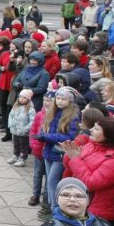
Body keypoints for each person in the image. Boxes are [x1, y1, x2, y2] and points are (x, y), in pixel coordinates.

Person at [61, 117, 114, 226]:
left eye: (96, 128)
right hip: (77, 204)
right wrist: (70, 154)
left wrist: (75, 159)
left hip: (96, 212)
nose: (91, 130)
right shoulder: (92, 145)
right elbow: (72, 168)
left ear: (110, 134)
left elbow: (90, 183)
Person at [36, 86, 82, 217]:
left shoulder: (73, 115)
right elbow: (45, 129)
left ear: (70, 101)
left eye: (64, 99)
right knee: (49, 180)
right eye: (58, 98)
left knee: (52, 180)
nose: (60, 101)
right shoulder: (52, 112)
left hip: (60, 152)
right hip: (48, 150)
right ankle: (51, 207)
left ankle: (55, 208)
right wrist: (42, 135)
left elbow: (70, 137)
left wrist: (48, 137)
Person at [8, 89, 37, 167]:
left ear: (28, 99)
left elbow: (32, 121)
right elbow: (11, 115)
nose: (22, 99)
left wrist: (26, 128)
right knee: (15, 144)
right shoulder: (15, 106)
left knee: (23, 146)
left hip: (24, 132)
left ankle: (22, 158)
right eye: (20, 97)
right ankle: (15, 155)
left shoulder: (30, 109)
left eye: (24, 97)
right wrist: (10, 124)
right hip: (15, 130)